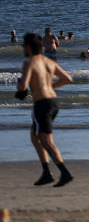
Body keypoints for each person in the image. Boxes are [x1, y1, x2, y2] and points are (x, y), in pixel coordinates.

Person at [16, 32, 74, 187]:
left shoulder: (29, 63)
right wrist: (50, 86)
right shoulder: (48, 61)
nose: (23, 49)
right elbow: (68, 78)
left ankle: (65, 172)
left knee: (46, 141)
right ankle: (47, 173)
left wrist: (19, 86)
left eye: (23, 46)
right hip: (53, 102)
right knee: (36, 138)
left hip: (41, 104)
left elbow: (22, 89)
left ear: (28, 47)